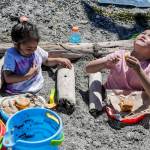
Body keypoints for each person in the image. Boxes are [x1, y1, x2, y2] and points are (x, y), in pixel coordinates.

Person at [2, 16, 72, 94]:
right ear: (16, 44)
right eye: (28, 49)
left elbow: (46, 61)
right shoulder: (11, 55)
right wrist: (28, 75)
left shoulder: (36, 50)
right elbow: (8, 78)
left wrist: (58, 60)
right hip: (19, 91)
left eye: (35, 47)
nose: (32, 51)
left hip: (38, 85)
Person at [86, 30, 150, 98]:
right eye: (143, 33)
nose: (144, 36)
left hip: (132, 101)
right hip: (108, 95)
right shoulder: (120, 55)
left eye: (149, 36)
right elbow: (88, 69)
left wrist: (139, 70)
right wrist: (105, 62)